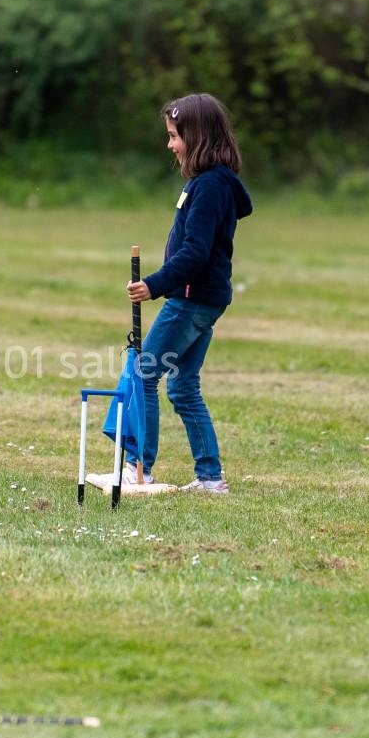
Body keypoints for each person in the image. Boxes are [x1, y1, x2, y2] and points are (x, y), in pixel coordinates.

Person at [124, 93, 252, 493]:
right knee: (181, 386)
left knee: (145, 374)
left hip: (191, 299)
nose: (170, 145)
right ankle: (210, 478)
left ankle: (138, 468)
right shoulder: (207, 184)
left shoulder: (211, 186)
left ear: (196, 137)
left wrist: (155, 284)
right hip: (206, 299)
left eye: (175, 136)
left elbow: (195, 251)